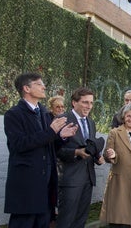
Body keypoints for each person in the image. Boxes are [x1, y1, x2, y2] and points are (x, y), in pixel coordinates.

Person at [3, 72, 78, 228]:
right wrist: (51, 132)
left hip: (46, 185)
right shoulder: (13, 114)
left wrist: (61, 136)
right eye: (39, 84)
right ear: (26, 88)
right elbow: (19, 144)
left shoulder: (44, 113)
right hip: (27, 186)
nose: (44, 87)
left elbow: (48, 145)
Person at [55, 87, 105, 228]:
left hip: (88, 178)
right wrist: (76, 152)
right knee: (66, 220)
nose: (89, 106)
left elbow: (90, 146)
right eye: (85, 102)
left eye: (91, 103)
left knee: (80, 220)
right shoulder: (61, 120)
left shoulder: (91, 122)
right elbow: (54, 149)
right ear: (74, 102)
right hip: (69, 178)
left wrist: (97, 157)